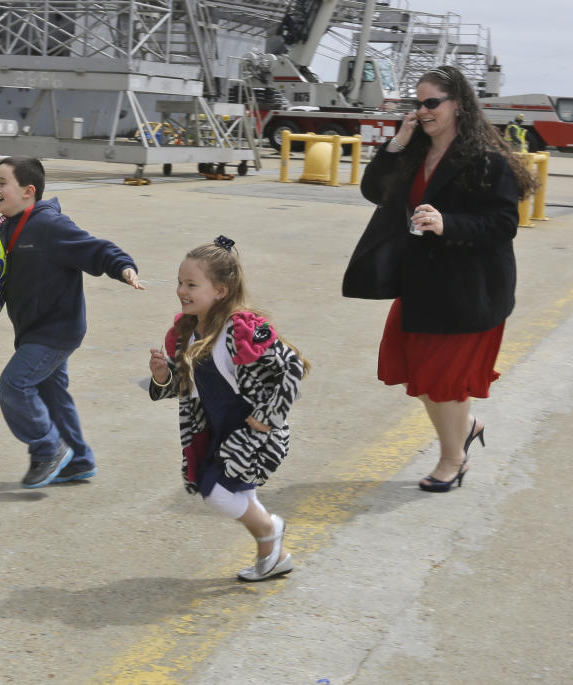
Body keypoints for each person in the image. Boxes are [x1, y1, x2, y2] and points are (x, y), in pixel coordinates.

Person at [345, 66, 536, 493]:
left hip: (469, 288)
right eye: (418, 103)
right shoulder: (415, 152)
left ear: (458, 105)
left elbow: (503, 223)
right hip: (422, 283)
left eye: (432, 103)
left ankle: (454, 459)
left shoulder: (487, 158)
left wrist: (448, 223)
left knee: (444, 380)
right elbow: (375, 191)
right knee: (421, 373)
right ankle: (465, 428)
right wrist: (398, 141)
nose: (423, 110)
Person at [0, 156, 144, 488]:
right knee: (53, 395)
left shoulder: (49, 226)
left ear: (28, 191)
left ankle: (48, 449)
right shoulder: (5, 228)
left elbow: (95, 249)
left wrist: (124, 267)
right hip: (32, 331)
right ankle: (78, 460)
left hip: (56, 331)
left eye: (2, 183)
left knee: (15, 385)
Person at [148, 237, 309, 581]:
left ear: (220, 291)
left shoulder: (241, 330)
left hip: (254, 432)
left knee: (216, 490)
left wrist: (268, 417)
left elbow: (293, 366)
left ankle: (271, 530)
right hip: (219, 431)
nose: (181, 290)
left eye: (192, 284)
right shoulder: (187, 332)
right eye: (179, 282)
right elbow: (184, 388)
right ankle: (274, 555)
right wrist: (162, 376)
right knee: (232, 493)